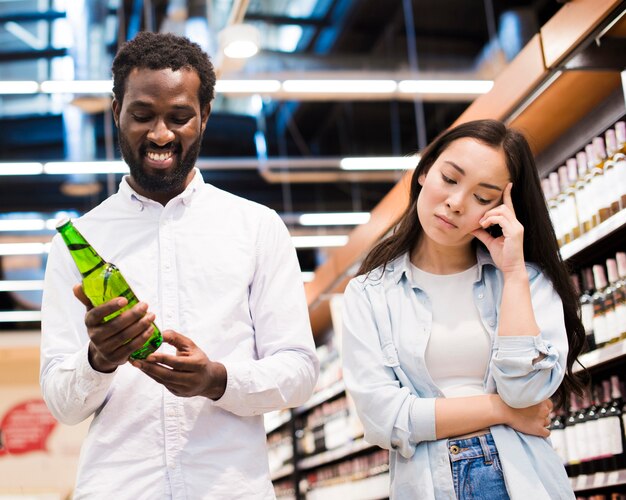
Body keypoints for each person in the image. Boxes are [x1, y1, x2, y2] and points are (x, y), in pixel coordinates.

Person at [40, 31, 319, 499]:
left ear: (204, 117)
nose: (160, 134)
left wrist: (218, 380)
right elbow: (60, 402)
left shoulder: (256, 228)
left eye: (180, 117)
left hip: (229, 488)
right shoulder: (79, 243)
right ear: (116, 113)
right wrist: (99, 359)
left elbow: (299, 370)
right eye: (142, 115)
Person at [341, 119, 586, 500]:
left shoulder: (528, 281)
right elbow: (382, 419)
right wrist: (500, 411)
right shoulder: (369, 294)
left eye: (483, 197)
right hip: (428, 486)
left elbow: (526, 392)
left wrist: (513, 271)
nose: (456, 203)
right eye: (450, 179)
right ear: (424, 171)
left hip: (524, 482)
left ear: (503, 208)